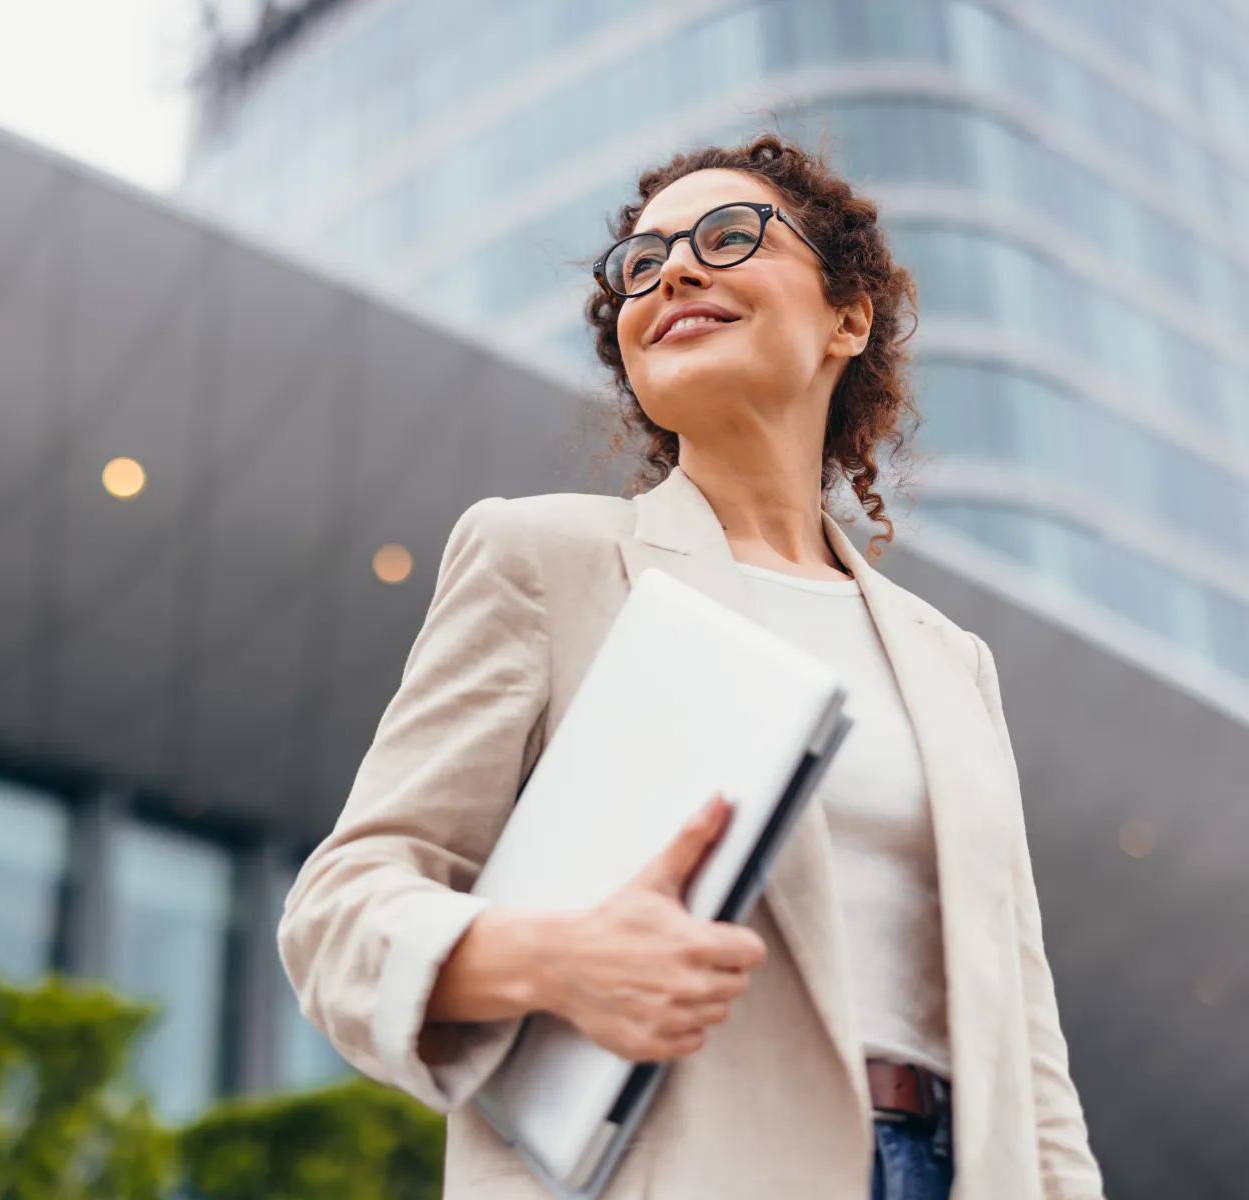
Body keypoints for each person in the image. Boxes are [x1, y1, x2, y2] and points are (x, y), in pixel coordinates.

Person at [278, 135, 1104, 1200]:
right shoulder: (546, 563)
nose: (671, 271)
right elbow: (341, 908)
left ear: (847, 319)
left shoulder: (953, 665)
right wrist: (550, 958)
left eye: (727, 237)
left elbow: (1026, 1040)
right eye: (641, 260)